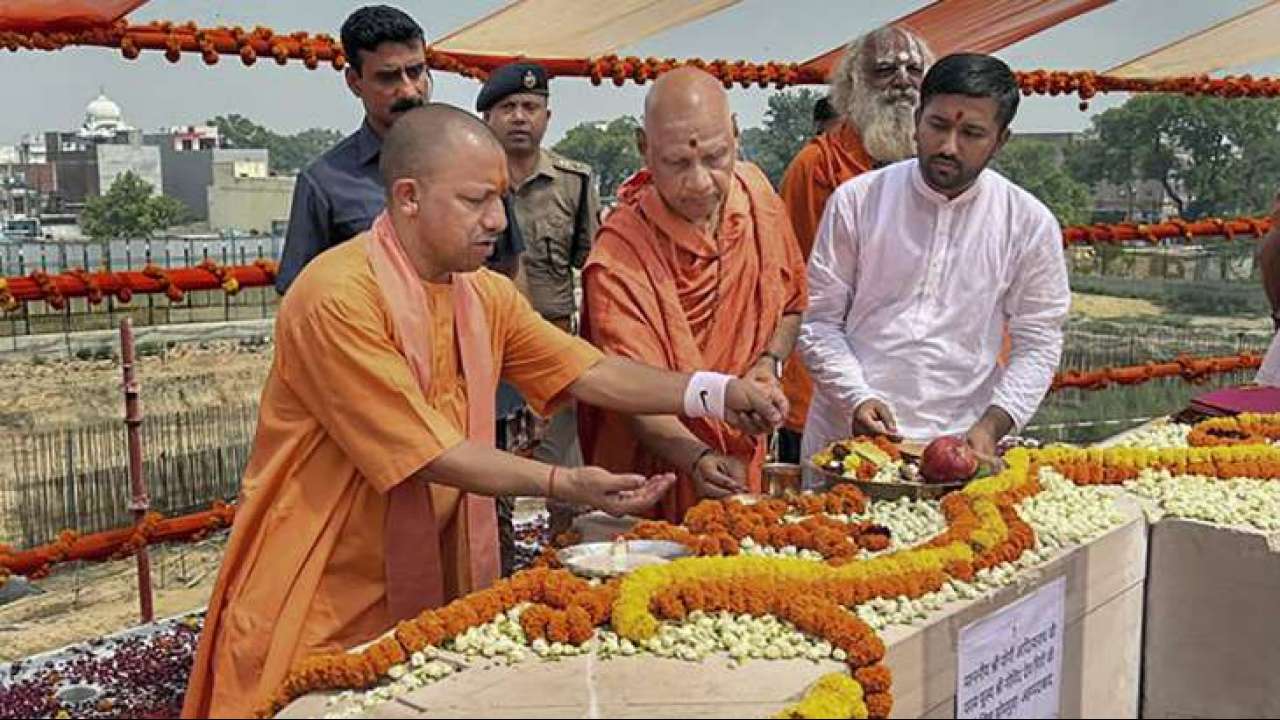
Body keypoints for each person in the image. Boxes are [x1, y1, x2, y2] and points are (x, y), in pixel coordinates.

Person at [182, 105, 786, 718]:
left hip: (434, 570)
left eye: (500, 198)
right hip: (323, 584)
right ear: (409, 197)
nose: (498, 219)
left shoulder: (484, 292)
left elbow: (591, 370)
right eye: (476, 201)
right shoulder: (336, 297)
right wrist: (562, 482)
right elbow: (428, 452)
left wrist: (720, 391)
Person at [797, 53, 1070, 473]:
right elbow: (818, 321)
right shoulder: (858, 201)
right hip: (847, 443)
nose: (948, 146)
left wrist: (992, 424)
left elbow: (1039, 341)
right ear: (918, 118)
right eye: (938, 125)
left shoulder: (1028, 223)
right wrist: (856, 396)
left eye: (972, 133)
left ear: (1001, 140)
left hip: (960, 446)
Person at [579, 68, 808, 523]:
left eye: (716, 158)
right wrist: (697, 456)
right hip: (657, 474)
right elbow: (627, 392)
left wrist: (767, 364)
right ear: (644, 148)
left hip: (742, 458)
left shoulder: (759, 200)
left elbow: (791, 304)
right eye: (677, 164)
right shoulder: (620, 256)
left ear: (737, 136)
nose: (701, 183)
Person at [275, 4, 524, 293]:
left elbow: (507, 267)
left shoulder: (477, 158)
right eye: (388, 77)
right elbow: (301, 294)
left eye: (416, 71)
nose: (408, 90)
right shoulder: (325, 183)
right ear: (355, 82)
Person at [777, 26, 934, 460]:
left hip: (920, 391)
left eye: (914, 69)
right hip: (824, 385)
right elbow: (795, 286)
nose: (903, 81)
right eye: (885, 70)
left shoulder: (941, 167)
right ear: (853, 85)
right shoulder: (816, 167)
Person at [478, 62, 600, 547]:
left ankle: (565, 570)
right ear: (487, 117)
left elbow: (595, 273)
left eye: (530, 107)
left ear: (548, 115)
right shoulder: (472, 184)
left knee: (567, 483)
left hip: (553, 350)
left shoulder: (574, 182)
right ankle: (498, 570)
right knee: (491, 484)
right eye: (507, 107)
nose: (519, 117)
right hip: (486, 354)